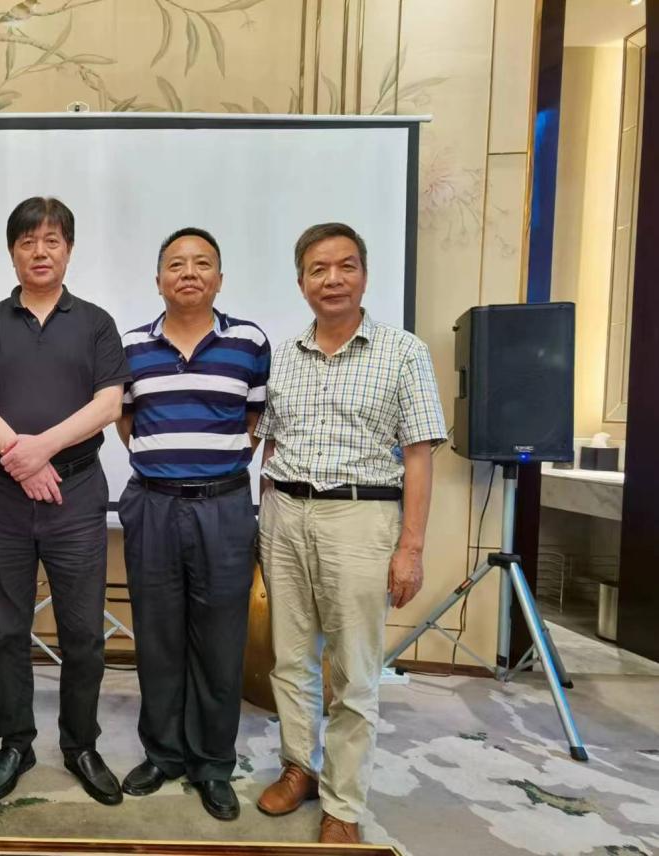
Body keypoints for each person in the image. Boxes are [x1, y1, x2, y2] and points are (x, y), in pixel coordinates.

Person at [253, 222, 446, 844]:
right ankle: (299, 768)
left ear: (364, 275)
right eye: (318, 269)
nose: (332, 279)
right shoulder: (284, 354)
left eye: (345, 266)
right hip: (285, 514)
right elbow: (270, 443)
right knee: (289, 659)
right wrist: (264, 516)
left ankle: (343, 803)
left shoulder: (403, 352)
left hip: (361, 518)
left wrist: (410, 548)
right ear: (301, 281)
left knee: (353, 671)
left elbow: (419, 455)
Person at [0, 196, 130, 806]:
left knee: (83, 634)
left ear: (69, 250)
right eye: (28, 241)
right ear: (12, 251)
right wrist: (19, 458)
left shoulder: (96, 323)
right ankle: (16, 743)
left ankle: (80, 744)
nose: (40, 251)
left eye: (52, 240)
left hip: (76, 494)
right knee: (8, 631)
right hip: (3, 494)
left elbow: (109, 404)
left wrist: (42, 451)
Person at [116, 227, 269, 821]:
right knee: (157, 637)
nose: (189, 273)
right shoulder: (131, 347)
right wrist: (167, 468)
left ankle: (212, 764)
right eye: (176, 264)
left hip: (223, 509)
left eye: (202, 263)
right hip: (153, 506)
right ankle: (163, 753)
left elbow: (255, 421)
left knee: (220, 641)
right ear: (158, 279)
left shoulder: (249, 342)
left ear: (219, 279)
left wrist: (211, 470)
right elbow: (126, 422)